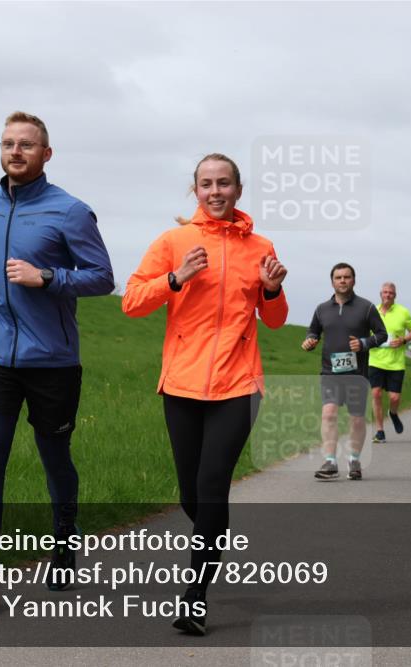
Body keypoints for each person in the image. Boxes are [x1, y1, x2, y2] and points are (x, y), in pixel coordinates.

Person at [0, 112, 115, 604]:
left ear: (46, 154)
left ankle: (65, 544)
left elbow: (102, 277)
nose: (15, 152)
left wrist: (48, 278)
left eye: (26, 145)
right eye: (7, 144)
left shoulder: (71, 211)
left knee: (54, 457)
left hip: (53, 361)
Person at [122, 153, 288, 635]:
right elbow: (131, 301)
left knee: (213, 486)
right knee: (194, 497)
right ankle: (212, 532)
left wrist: (272, 291)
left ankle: (194, 598)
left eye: (224, 183)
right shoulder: (174, 242)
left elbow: (273, 319)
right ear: (194, 191)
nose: (215, 191)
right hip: (183, 384)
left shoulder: (260, 246)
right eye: (206, 184)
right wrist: (175, 278)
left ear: (238, 190)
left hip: (239, 384)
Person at [303, 263, 387, 480]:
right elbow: (314, 330)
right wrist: (310, 340)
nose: (342, 281)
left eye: (347, 277)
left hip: (356, 374)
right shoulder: (322, 309)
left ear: (353, 280)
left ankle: (354, 459)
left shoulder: (366, 307)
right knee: (328, 414)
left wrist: (364, 343)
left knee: (356, 419)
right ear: (332, 281)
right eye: (338, 277)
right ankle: (330, 462)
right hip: (329, 371)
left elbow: (382, 334)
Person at [368, 282, 411, 443]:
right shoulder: (372, 311)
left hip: (396, 363)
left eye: (391, 293)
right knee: (375, 394)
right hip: (375, 360)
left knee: (395, 398)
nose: (387, 295)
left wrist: (403, 339)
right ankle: (380, 431)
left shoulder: (403, 312)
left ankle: (393, 413)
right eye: (385, 292)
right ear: (380, 294)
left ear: (395, 295)